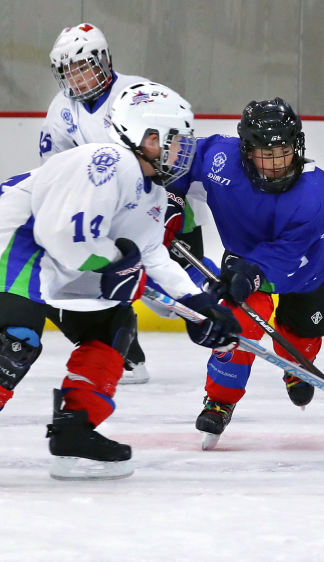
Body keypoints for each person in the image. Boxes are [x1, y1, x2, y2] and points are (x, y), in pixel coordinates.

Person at [0, 83, 240, 485]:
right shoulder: (109, 161)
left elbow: (151, 255)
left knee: (115, 328)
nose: (182, 152)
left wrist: (198, 305)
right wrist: (120, 269)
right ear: (145, 136)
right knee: (15, 343)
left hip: (77, 250)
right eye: (175, 141)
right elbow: (62, 238)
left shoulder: (155, 195)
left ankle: (75, 430)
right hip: (25, 238)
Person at [41, 22, 216, 384]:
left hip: (161, 203)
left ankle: (212, 292)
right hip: (110, 210)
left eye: (84, 65)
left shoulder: (140, 95)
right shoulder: (61, 110)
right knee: (82, 279)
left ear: (104, 60)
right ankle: (125, 355)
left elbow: (176, 153)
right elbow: (55, 170)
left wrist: (169, 201)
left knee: (170, 301)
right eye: (69, 70)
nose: (78, 77)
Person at [172, 98, 324, 450]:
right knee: (236, 327)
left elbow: (287, 254)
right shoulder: (220, 157)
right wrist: (172, 198)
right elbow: (181, 160)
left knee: (299, 338)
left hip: (304, 272)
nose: (277, 163)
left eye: (285, 150)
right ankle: (220, 399)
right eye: (266, 152)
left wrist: (251, 272)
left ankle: (294, 366)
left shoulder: (315, 195)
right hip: (245, 257)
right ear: (246, 151)